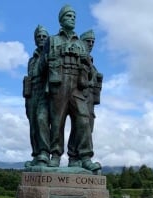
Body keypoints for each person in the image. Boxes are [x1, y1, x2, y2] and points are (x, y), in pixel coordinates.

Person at [43, 5, 101, 172]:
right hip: (59, 84)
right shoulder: (52, 40)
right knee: (57, 121)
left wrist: (87, 62)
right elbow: (43, 67)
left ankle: (84, 156)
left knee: (83, 120)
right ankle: (55, 155)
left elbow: (90, 71)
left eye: (74, 16)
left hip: (77, 85)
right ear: (61, 19)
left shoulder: (82, 44)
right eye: (68, 16)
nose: (72, 18)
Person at [67, 29, 103, 168]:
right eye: (88, 41)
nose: (91, 43)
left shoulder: (91, 63)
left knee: (85, 128)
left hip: (90, 101)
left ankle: (76, 158)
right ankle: (77, 156)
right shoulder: (79, 59)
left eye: (93, 41)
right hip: (77, 95)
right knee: (82, 125)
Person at [23, 25, 50, 167]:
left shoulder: (50, 55)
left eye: (44, 36)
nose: (41, 39)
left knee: (41, 120)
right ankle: (36, 155)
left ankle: (45, 153)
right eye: (38, 36)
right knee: (33, 126)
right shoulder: (31, 60)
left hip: (45, 93)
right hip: (31, 94)